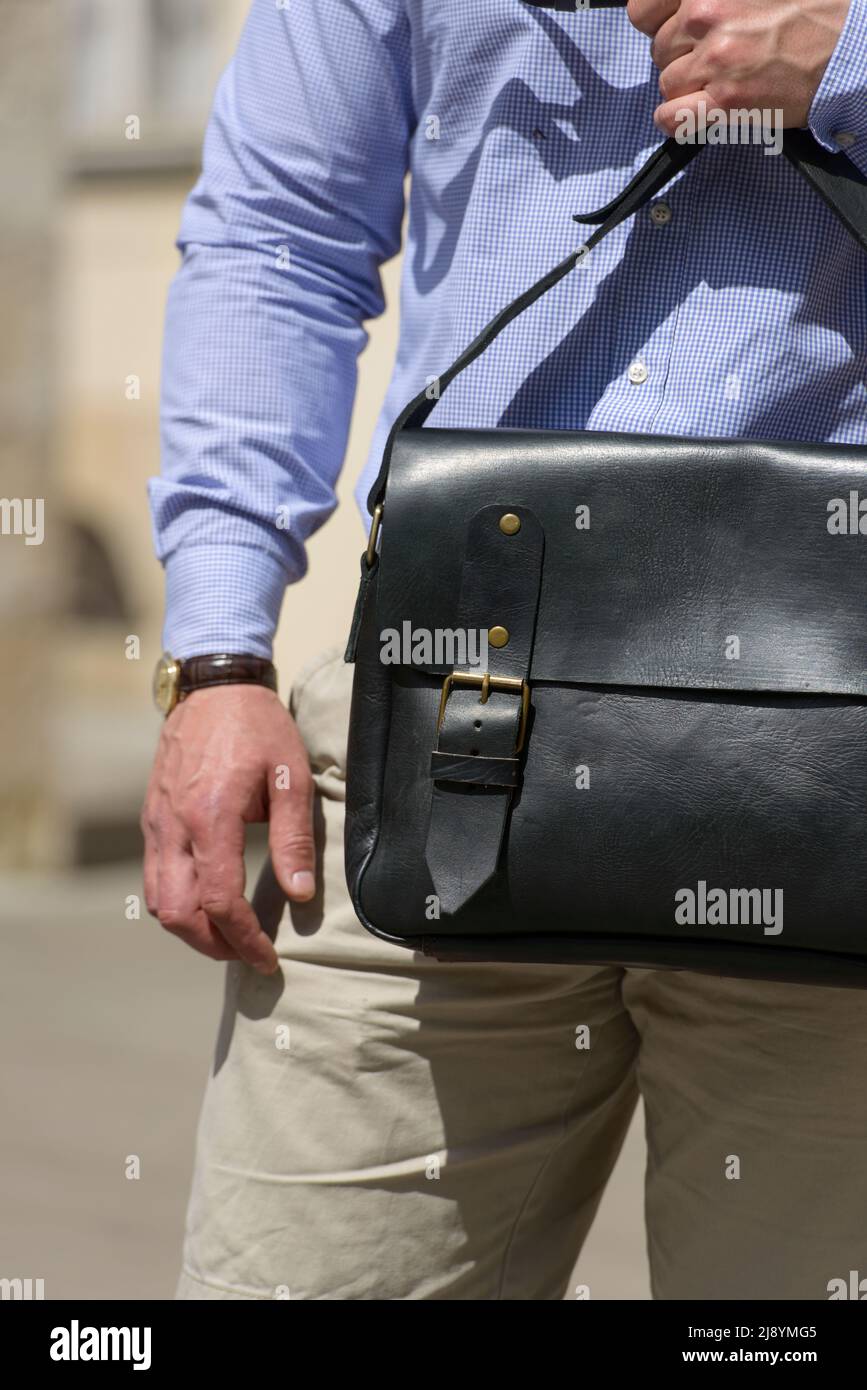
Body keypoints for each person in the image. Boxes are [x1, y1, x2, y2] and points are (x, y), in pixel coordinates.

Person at [143, 0, 867, 1300]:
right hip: (441, 738)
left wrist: (853, 59)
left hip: (846, 759)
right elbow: (281, 237)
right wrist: (217, 656)